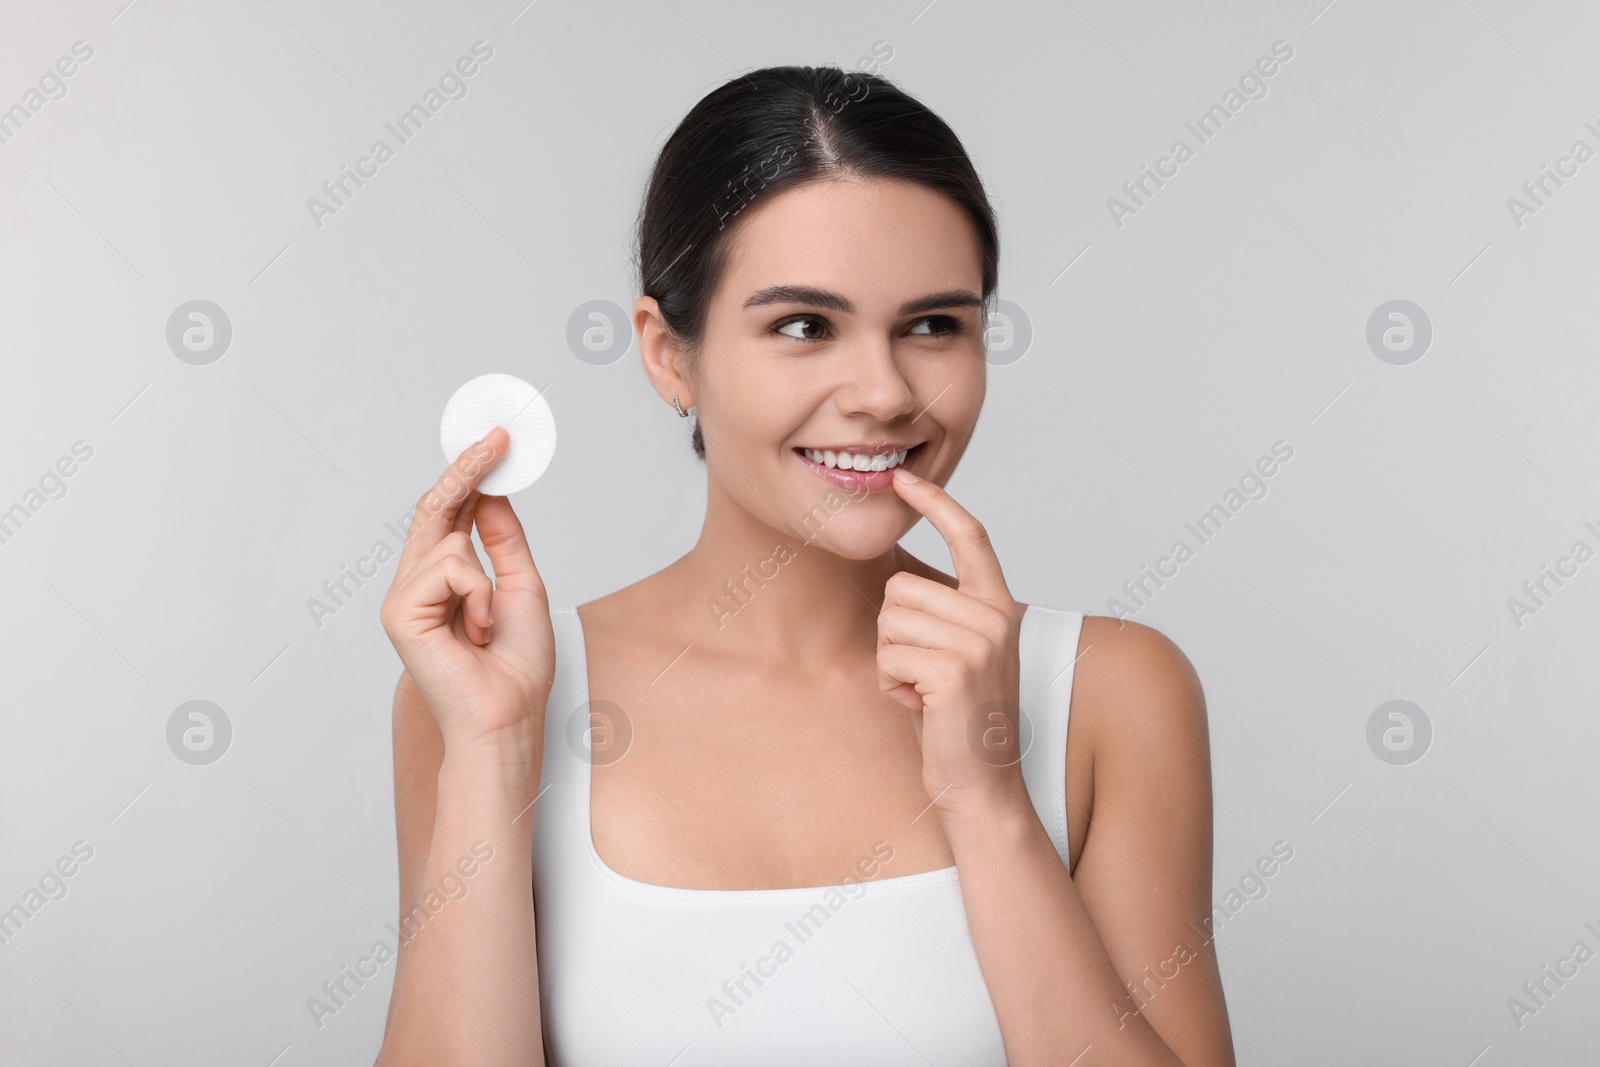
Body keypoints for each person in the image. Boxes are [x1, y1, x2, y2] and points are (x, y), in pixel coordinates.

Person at [374, 64, 1235, 1066]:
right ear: (667, 354)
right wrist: (488, 749)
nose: (881, 392)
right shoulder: (494, 692)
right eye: (802, 326)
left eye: (931, 325)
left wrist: (989, 803)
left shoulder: (1113, 693)